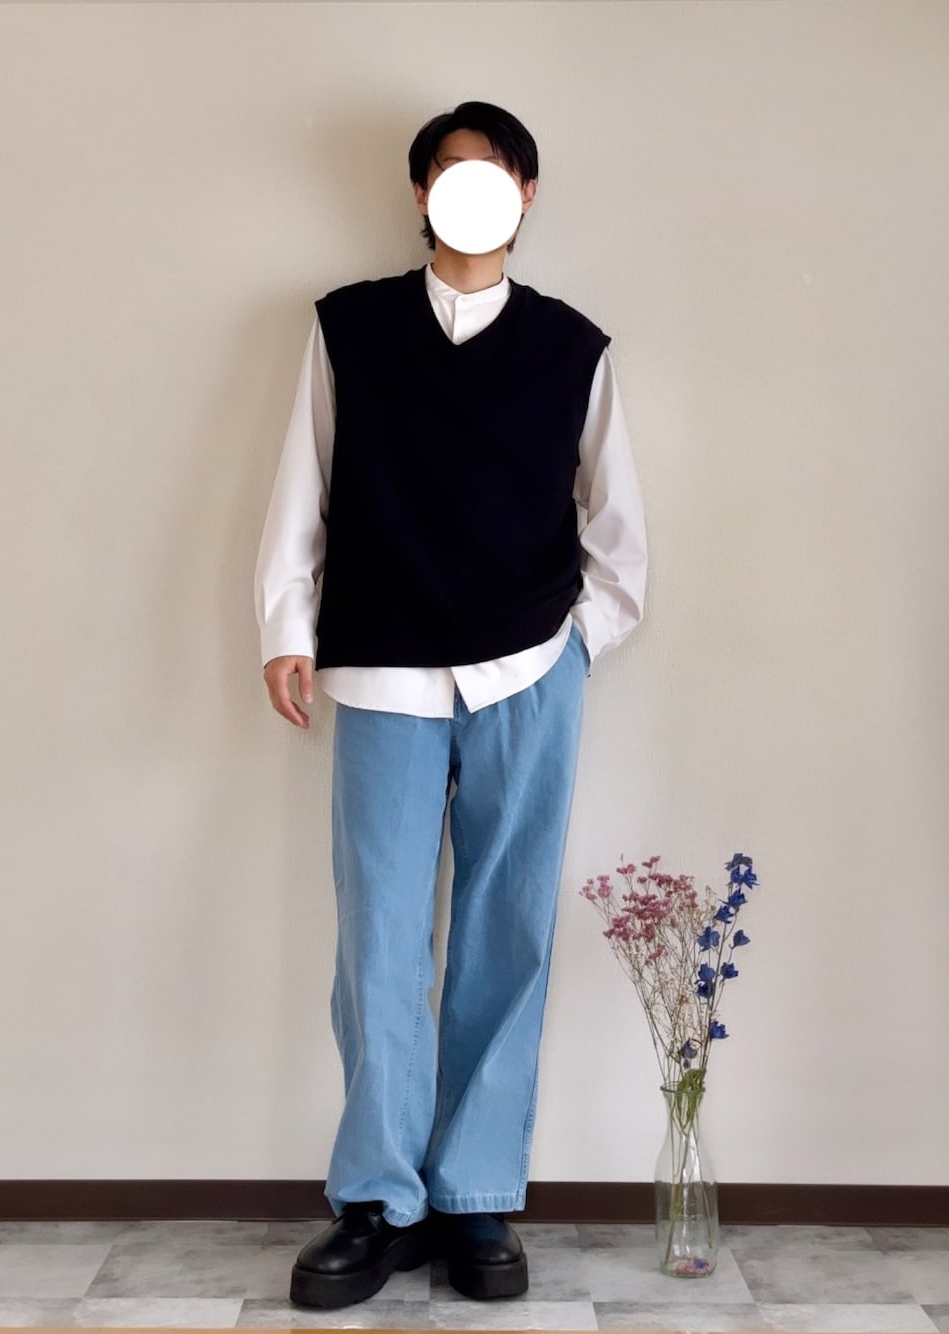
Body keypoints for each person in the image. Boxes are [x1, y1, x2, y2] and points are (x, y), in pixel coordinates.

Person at [254, 100, 648, 1309]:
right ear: (422, 193)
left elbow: (617, 526)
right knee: (378, 940)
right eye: (447, 171)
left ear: (524, 193)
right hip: (379, 667)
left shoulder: (572, 347)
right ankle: (378, 1198)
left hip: (529, 668)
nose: (470, 189)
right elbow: (304, 479)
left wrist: (578, 643)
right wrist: (285, 626)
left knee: (505, 931)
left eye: (493, 171)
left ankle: (476, 1190)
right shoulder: (351, 327)